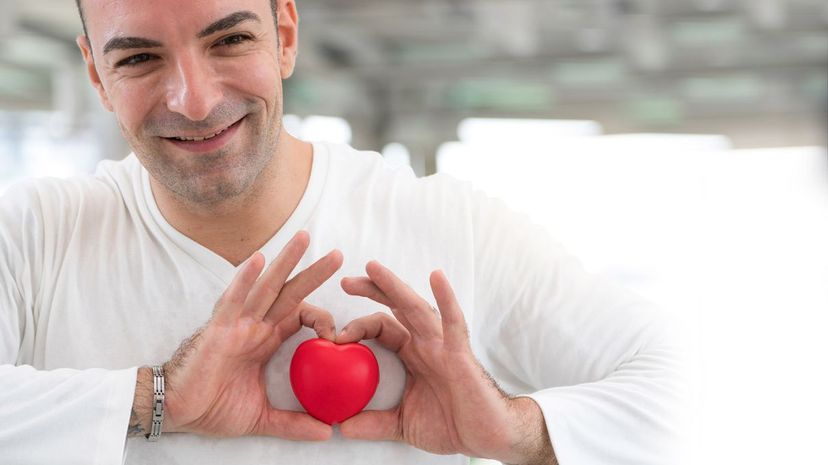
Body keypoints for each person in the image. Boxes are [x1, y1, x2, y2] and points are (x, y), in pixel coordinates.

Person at [0, 0, 686, 464]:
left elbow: (681, 384)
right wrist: (158, 397)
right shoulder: (31, 238)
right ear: (96, 73)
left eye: (230, 39)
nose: (196, 100)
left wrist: (516, 428)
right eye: (139, 59)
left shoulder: (453, 228)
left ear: (286, 36)